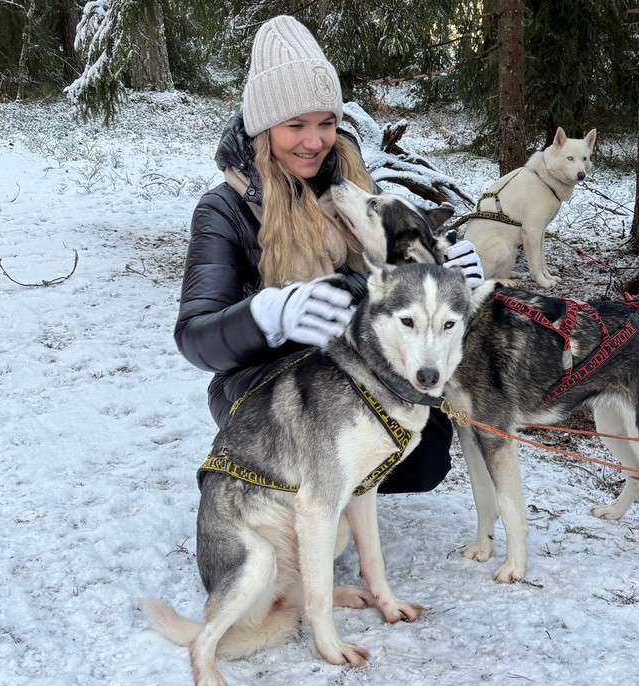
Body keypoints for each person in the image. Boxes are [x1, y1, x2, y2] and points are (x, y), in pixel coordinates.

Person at [174, 14, 483, 494]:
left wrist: (444, 278)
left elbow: (401, 270)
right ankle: (278, 481)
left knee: (424, 460)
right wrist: (268, 314)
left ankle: (339, 482)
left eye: (326, 123)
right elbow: (196, 338)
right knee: (309, 444)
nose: (315, 142)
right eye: (295, 124)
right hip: (266, 380)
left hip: (359, 364)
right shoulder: (224, 209)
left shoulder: (357, 191)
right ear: (263, 127)